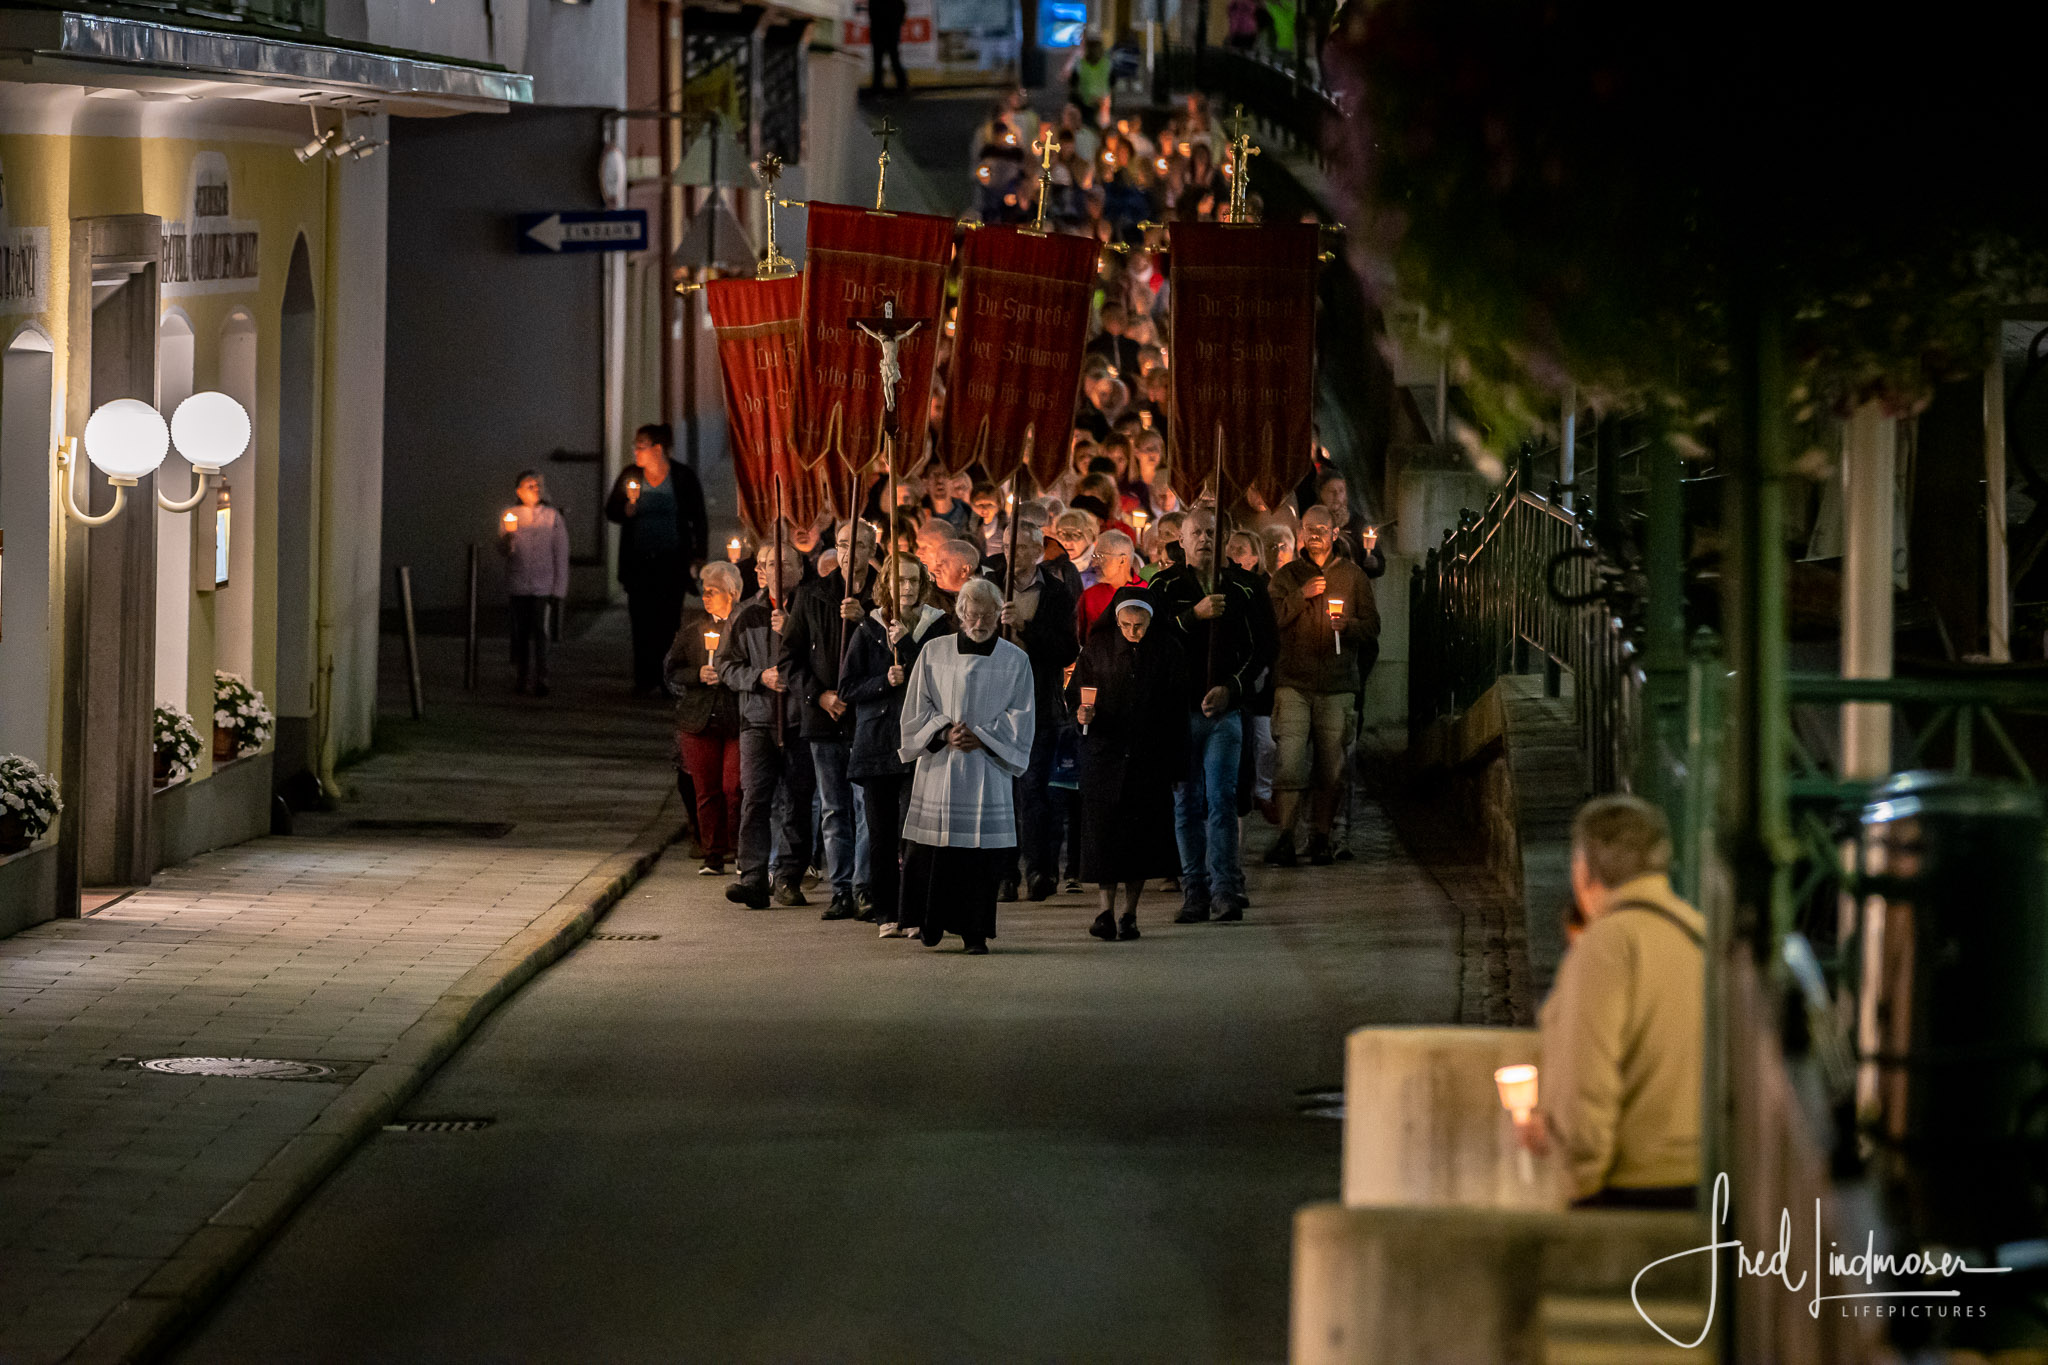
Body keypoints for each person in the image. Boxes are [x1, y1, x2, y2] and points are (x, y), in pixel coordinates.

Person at [1520, 795, 1703, 1208]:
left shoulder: (1606, 946)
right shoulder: (1699, 934)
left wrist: (1580, 1182)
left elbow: (1588, 1079)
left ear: (1585, 869)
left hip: (1635, 1189)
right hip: (1710, 1183)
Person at [896, 578, 1037, 953]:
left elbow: (1021, 714)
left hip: (984, 769)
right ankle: (930, 922)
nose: (980, 622)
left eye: (987, 614)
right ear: (960, 614)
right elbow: (916, 706)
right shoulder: (934, 652)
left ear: (998, 614)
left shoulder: (1015, 659)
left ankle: (974, 932)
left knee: (978, 859)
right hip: (941, 766)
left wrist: (984, 738)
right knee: (933, 851)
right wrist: (943, 734)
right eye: (973, 614)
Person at [1149, 509, 1277, 922]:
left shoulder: (1246, 586)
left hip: (1224, 713)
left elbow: (1264, 649)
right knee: (1186, 803)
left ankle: (1225, 888)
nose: (1204, 539)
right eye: (1196, 533)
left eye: (1211, 532)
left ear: (1224, 540)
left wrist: (1231, 690)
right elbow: (1152, 639)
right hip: (1179, 712)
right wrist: (1193, 616)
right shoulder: (1164, 585)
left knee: (1221, 799)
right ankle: (1195, 890)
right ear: (1181, 541)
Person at [841, 560, 953, 935]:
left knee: (913, 833)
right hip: (877, 742)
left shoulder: (937, 625)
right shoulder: (870, 628)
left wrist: (905, 642)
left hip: (917, 742)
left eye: (912, 580)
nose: (905, 586)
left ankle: (913, 912)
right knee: (881, 834)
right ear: (886, 584)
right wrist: (882, 681)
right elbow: (848, 687)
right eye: (898, 580)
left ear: (922, 584)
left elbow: (938, 675)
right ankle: (885, 912)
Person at [1070, 593, 1189, 941]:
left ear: (1151, 623)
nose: (1132, 632)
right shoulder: (1097, 647)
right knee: (1104, 837)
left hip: (1148, 758)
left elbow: (1177, 712)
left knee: (1139, 840)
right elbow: (1076, 693)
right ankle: (1104, 910)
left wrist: (1177, 765)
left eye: (1139, 626)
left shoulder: (1167, 651)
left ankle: (1130, 913)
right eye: (1125, 626)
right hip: (1105, 754)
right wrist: (1082, 715)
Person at [779, 520, 881, 921]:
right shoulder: (812, 594)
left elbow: (894, 650)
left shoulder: (883, 593)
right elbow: (789, 658)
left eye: (858, 545)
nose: (848, 553)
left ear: (871, 548)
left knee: (865, 807)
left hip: (868, 717)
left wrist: (864, 618)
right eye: (841, 544)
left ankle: (864, 886)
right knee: (834, 808)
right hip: (823, 718)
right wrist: (818, 695)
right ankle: (840, 889)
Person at [1266, 506, 1377, 866]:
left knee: (1331, 766)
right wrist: (1301, 595)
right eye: (1309, 528)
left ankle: (1321, 835)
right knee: (1290, 763)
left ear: (1334, 533)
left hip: (1337, 682)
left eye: (1322, 528)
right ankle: (1285, 835)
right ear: (1300, 533)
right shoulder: (1287, 576)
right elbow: (1272, 622)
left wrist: (1348, 625)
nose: (1315, 534)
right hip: (1294, 682)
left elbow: (1372, 627)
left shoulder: (1353, 576)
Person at [715, 546, 816, 909]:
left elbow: (826, 657)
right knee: (755, 798)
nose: (777, 569)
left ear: (800, 570)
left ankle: (789, 877)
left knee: (797, 801)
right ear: (760, 570)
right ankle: (753, 876)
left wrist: (793, 634)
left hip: (800, 719)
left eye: (785, 563)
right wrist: (759, 677)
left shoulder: (812, 608)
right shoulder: (746, 613)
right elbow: (726, 664)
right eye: (770, 564)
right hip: (758, 719)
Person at [997, 521, 1080, 901]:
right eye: (1006, 546)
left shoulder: (1056, 593)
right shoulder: (989, 584)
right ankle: (1002, 873)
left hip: (1037, 702)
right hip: (994, 703)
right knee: (999, 794)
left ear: (1037, 552)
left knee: (1034, 791)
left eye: (1021, 548)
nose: (1012, 555)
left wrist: (1026, 628)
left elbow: (1066, 650)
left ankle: (1038, 869)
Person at [605, 424, 709, 696]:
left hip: (671, 562)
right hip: (639, 562)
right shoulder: (631, 475)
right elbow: (611, 510)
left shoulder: (682, 477)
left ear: (658, 449)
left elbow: (698, 517)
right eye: (635, 445)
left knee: (668, 622)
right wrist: (626, 509)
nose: (636, 451)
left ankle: (667, 678)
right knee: (640, 621)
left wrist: (699, 556)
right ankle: (644, 678)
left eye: (641, 445)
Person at [665, 563, 743, 875]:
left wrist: (728, 675)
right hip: (699, 720)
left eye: (713, 592)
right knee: (706, 790)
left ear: (732, 594)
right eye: (705, 592)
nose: (706, 597)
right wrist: (698, 674)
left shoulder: (743, 628)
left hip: (734, 718)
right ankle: (713, 853)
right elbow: (673, 670)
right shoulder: (693, 630)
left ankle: (740, 849)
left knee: (733, 787)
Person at [498, 470, 569, 697]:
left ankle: (542, 676)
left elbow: (561, 553)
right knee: (520, 632)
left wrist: (558, 588)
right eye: (529, 486)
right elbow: (502, 550)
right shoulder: (511, 515)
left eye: (537, 485)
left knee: (540, 630)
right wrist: (507, 542)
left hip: (543, 584)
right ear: (519, 491)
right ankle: (522, 675)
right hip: (519, 584)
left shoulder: (551, 517)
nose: (535, 489)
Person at [1075, 529, 1138, 637]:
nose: (1094, 565)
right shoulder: (1090, 595)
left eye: (1100, 557)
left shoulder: (1146, 592)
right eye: (1094, 557)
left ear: (1122, 560)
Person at [930, 537, 983, 611]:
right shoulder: (928, 598)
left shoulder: (983, 602)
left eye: (942, 564)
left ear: (964, 570)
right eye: (936, 563)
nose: (935, 570)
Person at [867, 0, 908, 95]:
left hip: (879, 31)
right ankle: (902, 84)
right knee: (893, 60)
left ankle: (877, 86)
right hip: (891, 32)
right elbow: (902, 9)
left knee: (879, 61)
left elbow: (872, 12)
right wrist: (897, 23)